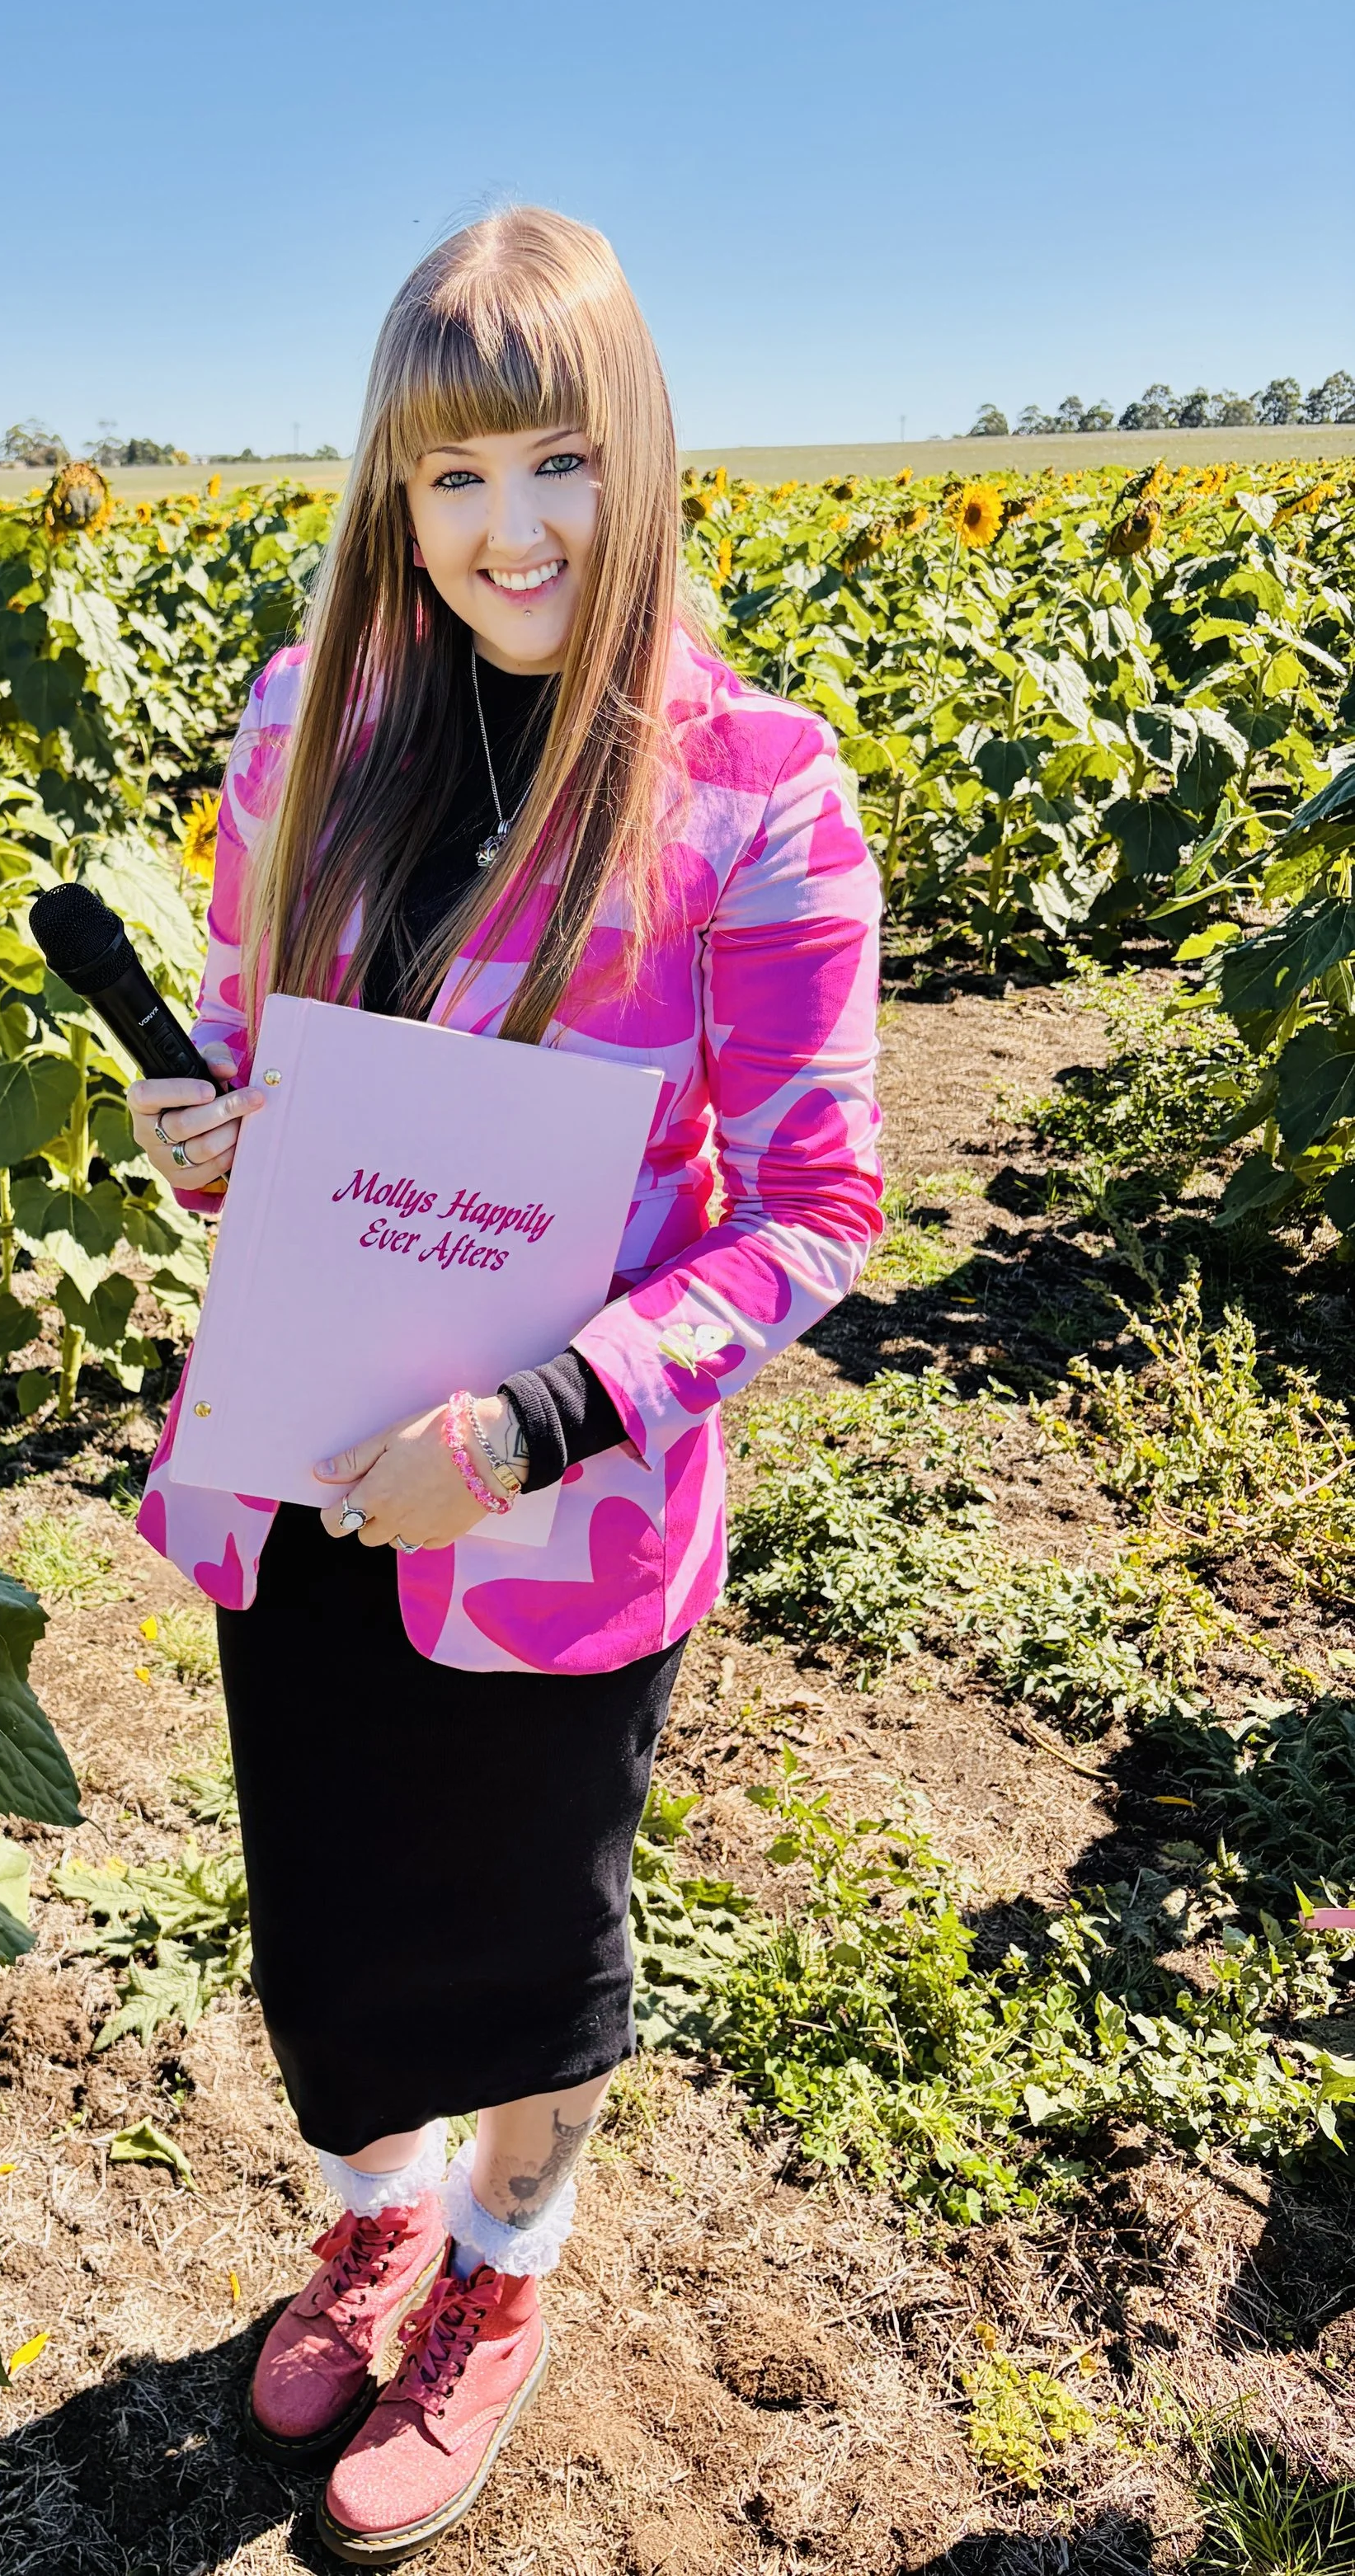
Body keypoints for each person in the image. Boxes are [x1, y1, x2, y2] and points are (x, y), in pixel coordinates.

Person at [125, 205, 882, 2564]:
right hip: (305, 1454)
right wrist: (200, 1137)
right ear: (394, 497)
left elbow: (818, 1206)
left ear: (632, 459)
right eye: (451, 481)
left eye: (553, 462)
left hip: (554, 1516)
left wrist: (539, 1420)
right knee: (333, 1918)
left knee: (526, 1943)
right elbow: (267, 1088)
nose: (507, 533)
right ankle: (372, 2212)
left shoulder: (754, 784)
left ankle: (495, 2270)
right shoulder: (301, 723)